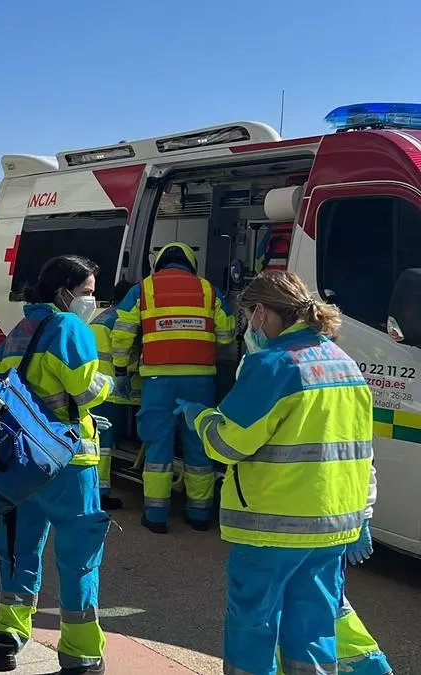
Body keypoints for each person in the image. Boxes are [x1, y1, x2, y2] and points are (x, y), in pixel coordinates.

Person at [176, 270, 378, 675]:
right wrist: (364, 513)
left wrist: (200, 419)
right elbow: (360, 450)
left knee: (254, 623)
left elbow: (228, 443)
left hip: (273, 526)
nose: (249, 327)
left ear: (263, 313)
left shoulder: (272, 364)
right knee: (315, 626)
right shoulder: (344, 363)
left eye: (249, 316)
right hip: (333, 524)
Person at [0, 254, 112, 674]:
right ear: (64, 292)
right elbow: (87, 391)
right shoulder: (70, 327)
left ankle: (6, 636)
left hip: (21, 464)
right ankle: (81, 654)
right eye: (88, 292)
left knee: (19, 551)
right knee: (79, 558)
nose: (92, 300)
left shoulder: (18, 331)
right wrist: (110, 383)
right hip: (70, 461)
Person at [111, 242, 235, 533]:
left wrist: (120, 369)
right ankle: (200, 515)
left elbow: (122, 333)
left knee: (158, 446)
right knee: (199, 446)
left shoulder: (142, 289)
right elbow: (228, 336)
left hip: (158, 381)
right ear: (191, 264)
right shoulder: (209, 290)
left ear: (160, 264)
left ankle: (156, 516)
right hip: (201, 381)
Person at [88, 280, 139, 511]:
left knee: (98, 444)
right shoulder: (124, 320)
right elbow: (125, 355)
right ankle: (101, 493)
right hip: (115, 392)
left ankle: (94, 489)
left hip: (96, 390)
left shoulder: (101, 317)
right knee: (105, 446)